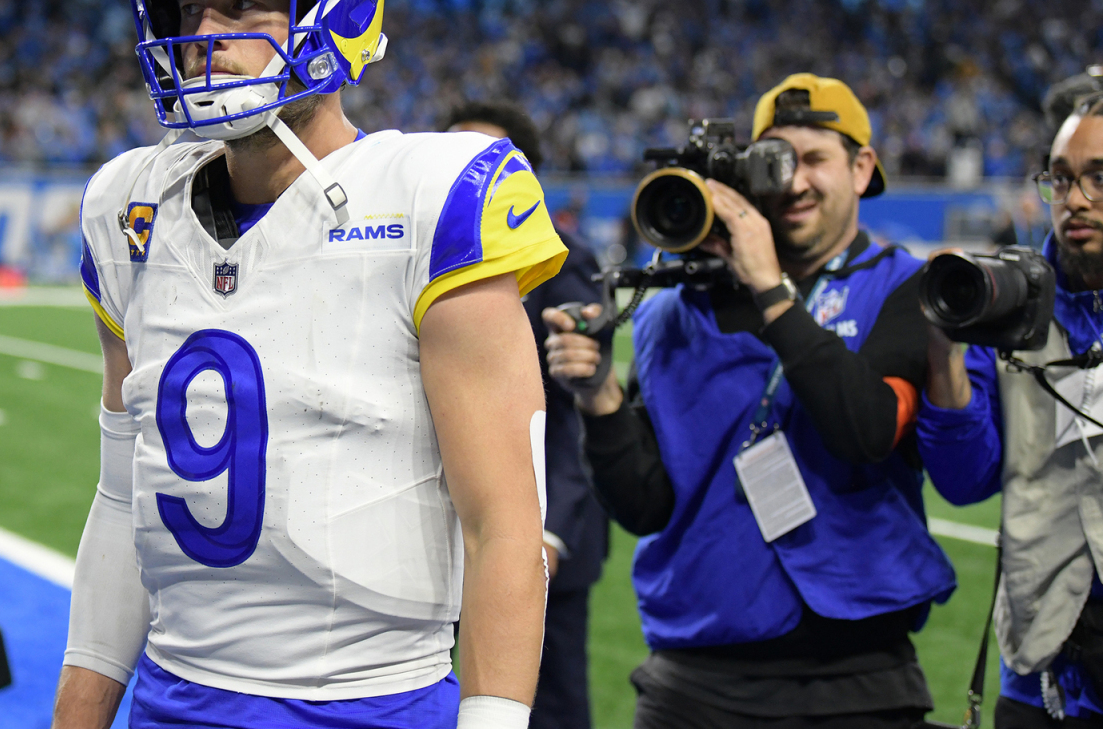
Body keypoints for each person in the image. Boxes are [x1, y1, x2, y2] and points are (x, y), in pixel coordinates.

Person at [55, 0, 566, 729]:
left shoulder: (432, 198)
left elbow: (506, 531)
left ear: (337, 5)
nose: (203, 36)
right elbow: (122, 500)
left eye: (242, 2)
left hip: (372, 705)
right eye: (186, 6)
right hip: (174, 702)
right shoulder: (129, 207)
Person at [545, 73, 1003, 728]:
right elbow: (645, 505)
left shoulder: (909, 290)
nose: (793, 182)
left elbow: (864, 431)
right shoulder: (673, 311)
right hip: (694, 678)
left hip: (857, 678)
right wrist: (600, 400)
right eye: (775, 161)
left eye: (815, 159)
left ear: (862, 167)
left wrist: (769, 288)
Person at [444, 101, 608, 729]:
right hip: (447, 531)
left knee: (553, 705)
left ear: (525, 178)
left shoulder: (561, 261)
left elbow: (579, 411)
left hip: (543, 534)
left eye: (485, 159)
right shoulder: (416, 260)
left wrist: (551, 531)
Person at [991, 79, 1103, 727]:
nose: (1076, 199)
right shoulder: (1018, 312)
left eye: (1099, 177)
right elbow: (964, 479)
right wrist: (947, 358)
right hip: (1040, 678)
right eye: (1061, 178)